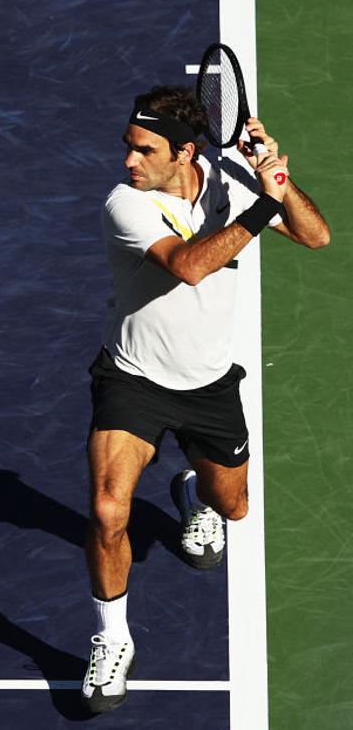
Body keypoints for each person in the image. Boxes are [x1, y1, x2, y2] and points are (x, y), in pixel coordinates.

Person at [80, 85, 331, 714]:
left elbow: (315, 236)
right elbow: (190, 266)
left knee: (234, 506)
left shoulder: (229, 178)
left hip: (209, 384)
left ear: (185, 152)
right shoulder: (126, 204)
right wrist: (256, 209)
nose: (128, 162)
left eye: (144, 151)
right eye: (128, 148)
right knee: (110, 512)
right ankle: (112, 640)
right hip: (132, 378)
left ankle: (197, 494)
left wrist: (278, 179)